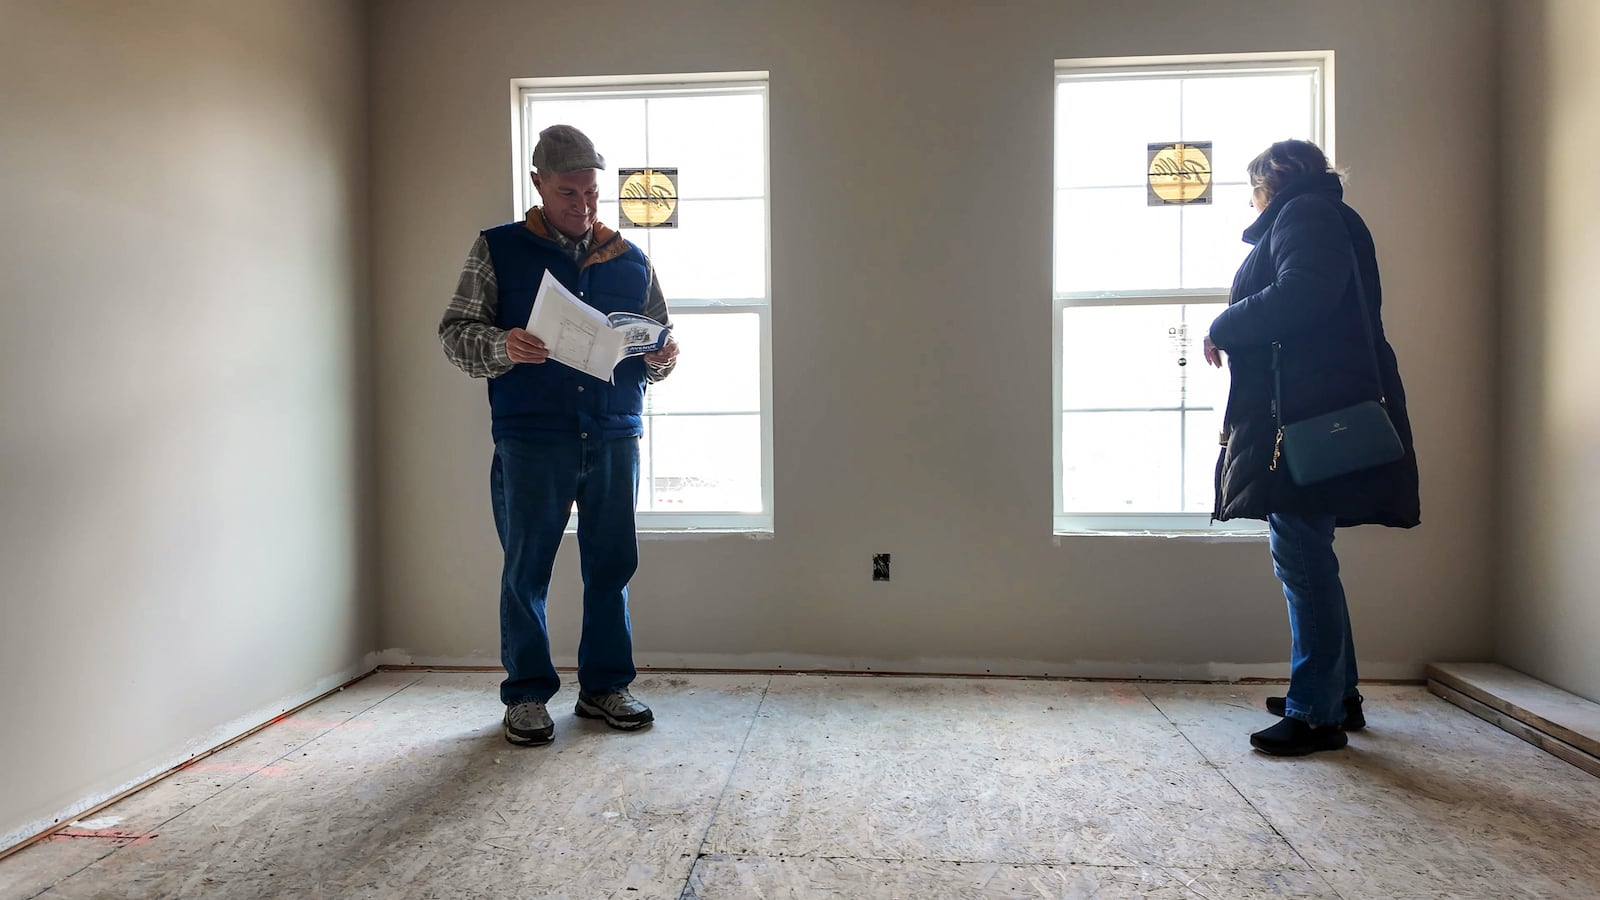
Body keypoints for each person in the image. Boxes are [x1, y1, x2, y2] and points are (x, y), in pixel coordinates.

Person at [439, 124, 679, 747]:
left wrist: (662, 357)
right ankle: (526, 696)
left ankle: (604, 688)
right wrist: (503, 344)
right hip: (531, 439)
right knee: (527, 570)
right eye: (569, 192)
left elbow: (660, 342)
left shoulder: (632, 259)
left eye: (592, 192)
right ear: (538, 183)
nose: (584, 205)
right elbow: (456, 335)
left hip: (613, 435)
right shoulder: (497, 250)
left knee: (611, 567)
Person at [1203, 139, 1420, 757]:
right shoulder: (1320, 213)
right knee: (1308, 554)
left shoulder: (1305, 215)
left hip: (1306, 418)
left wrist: (1223, 325)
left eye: (1253, 190)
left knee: (1301, 556)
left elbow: (1303, 294)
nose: (1253, 201)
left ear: (1267, 182)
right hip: (1313, 411)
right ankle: (1334, 695)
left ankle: (1317, 713)